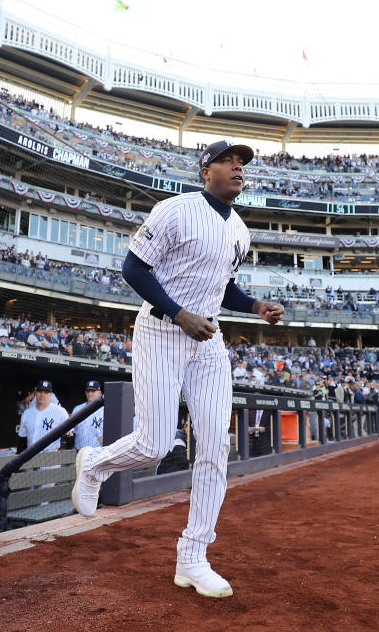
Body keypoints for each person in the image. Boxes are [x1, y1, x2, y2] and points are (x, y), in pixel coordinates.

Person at [70, 140, 284, 599]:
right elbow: (133, 267)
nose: (238, 168)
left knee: (213, 447)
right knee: (155, 441)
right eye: (229, 161)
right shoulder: (175, 210)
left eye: (242, 163)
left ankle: (193, 554)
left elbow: (223, 289)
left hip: (208, 342)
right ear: (206, 169)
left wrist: (254, 305)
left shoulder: (241, 231)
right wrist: (176, 312)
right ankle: (95, 462)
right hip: (161, 332)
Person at [18, 380, 68, 452]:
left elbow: (69, 436)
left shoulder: (60, 412)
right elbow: (22, 439)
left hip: (51, 456)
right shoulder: (26, 413)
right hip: (30, 456)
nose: (42, 395)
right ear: (36, 392)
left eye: (46, 392)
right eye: (40, 391)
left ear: (50, 394)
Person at [71, 380, 104, 450]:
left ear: (99, 393)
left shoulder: (106, 410)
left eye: (93, 391)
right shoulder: (77, 409)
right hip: (80, 451)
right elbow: (71, 429)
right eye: (88, 391)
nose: (90, 394)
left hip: (98, 452)